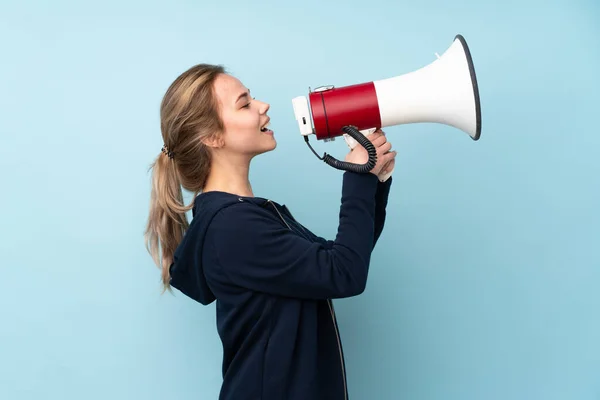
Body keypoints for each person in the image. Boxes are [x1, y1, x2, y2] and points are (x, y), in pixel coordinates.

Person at [144, 63, 397, 400]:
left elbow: (344, 260)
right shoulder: (233, 228)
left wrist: (374, 182)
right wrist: (358, 174)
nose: (263, 106)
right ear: (212, 137)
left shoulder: (250, 216)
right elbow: (343, 273)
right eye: (244, 103)